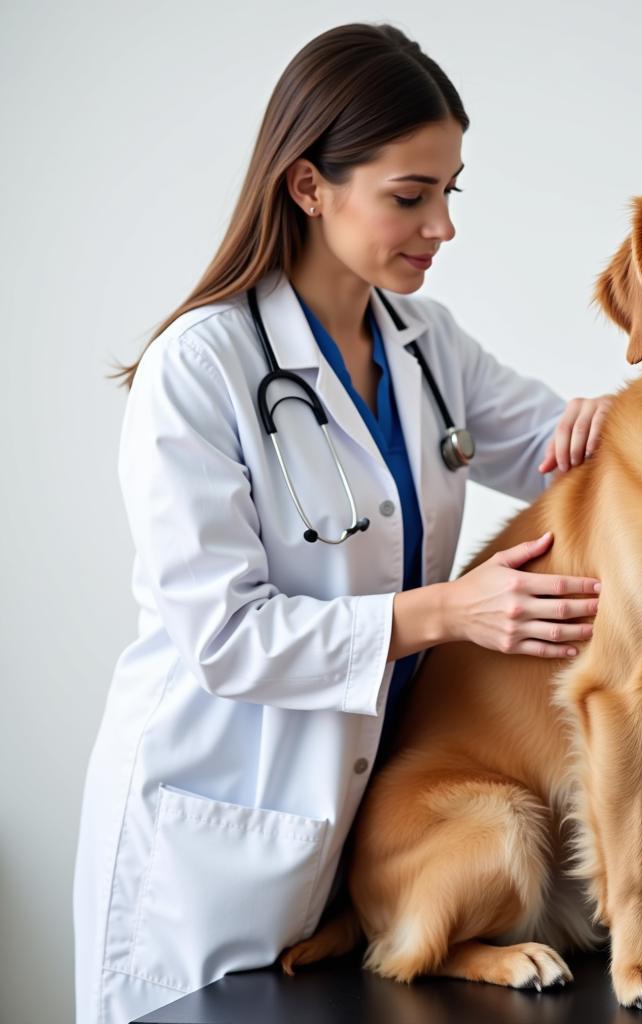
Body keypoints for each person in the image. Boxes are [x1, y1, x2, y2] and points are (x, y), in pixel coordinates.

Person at [72, 22, 613, 1024]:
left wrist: (633, 414)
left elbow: (563, 440)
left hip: (364, 835)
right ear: (308, 185)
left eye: (451, 191)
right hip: (215, 837)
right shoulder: (200, 368)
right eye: (410, 196)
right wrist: (446, 612)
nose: (441, 224)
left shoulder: (424, 342)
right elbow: (226, 638)